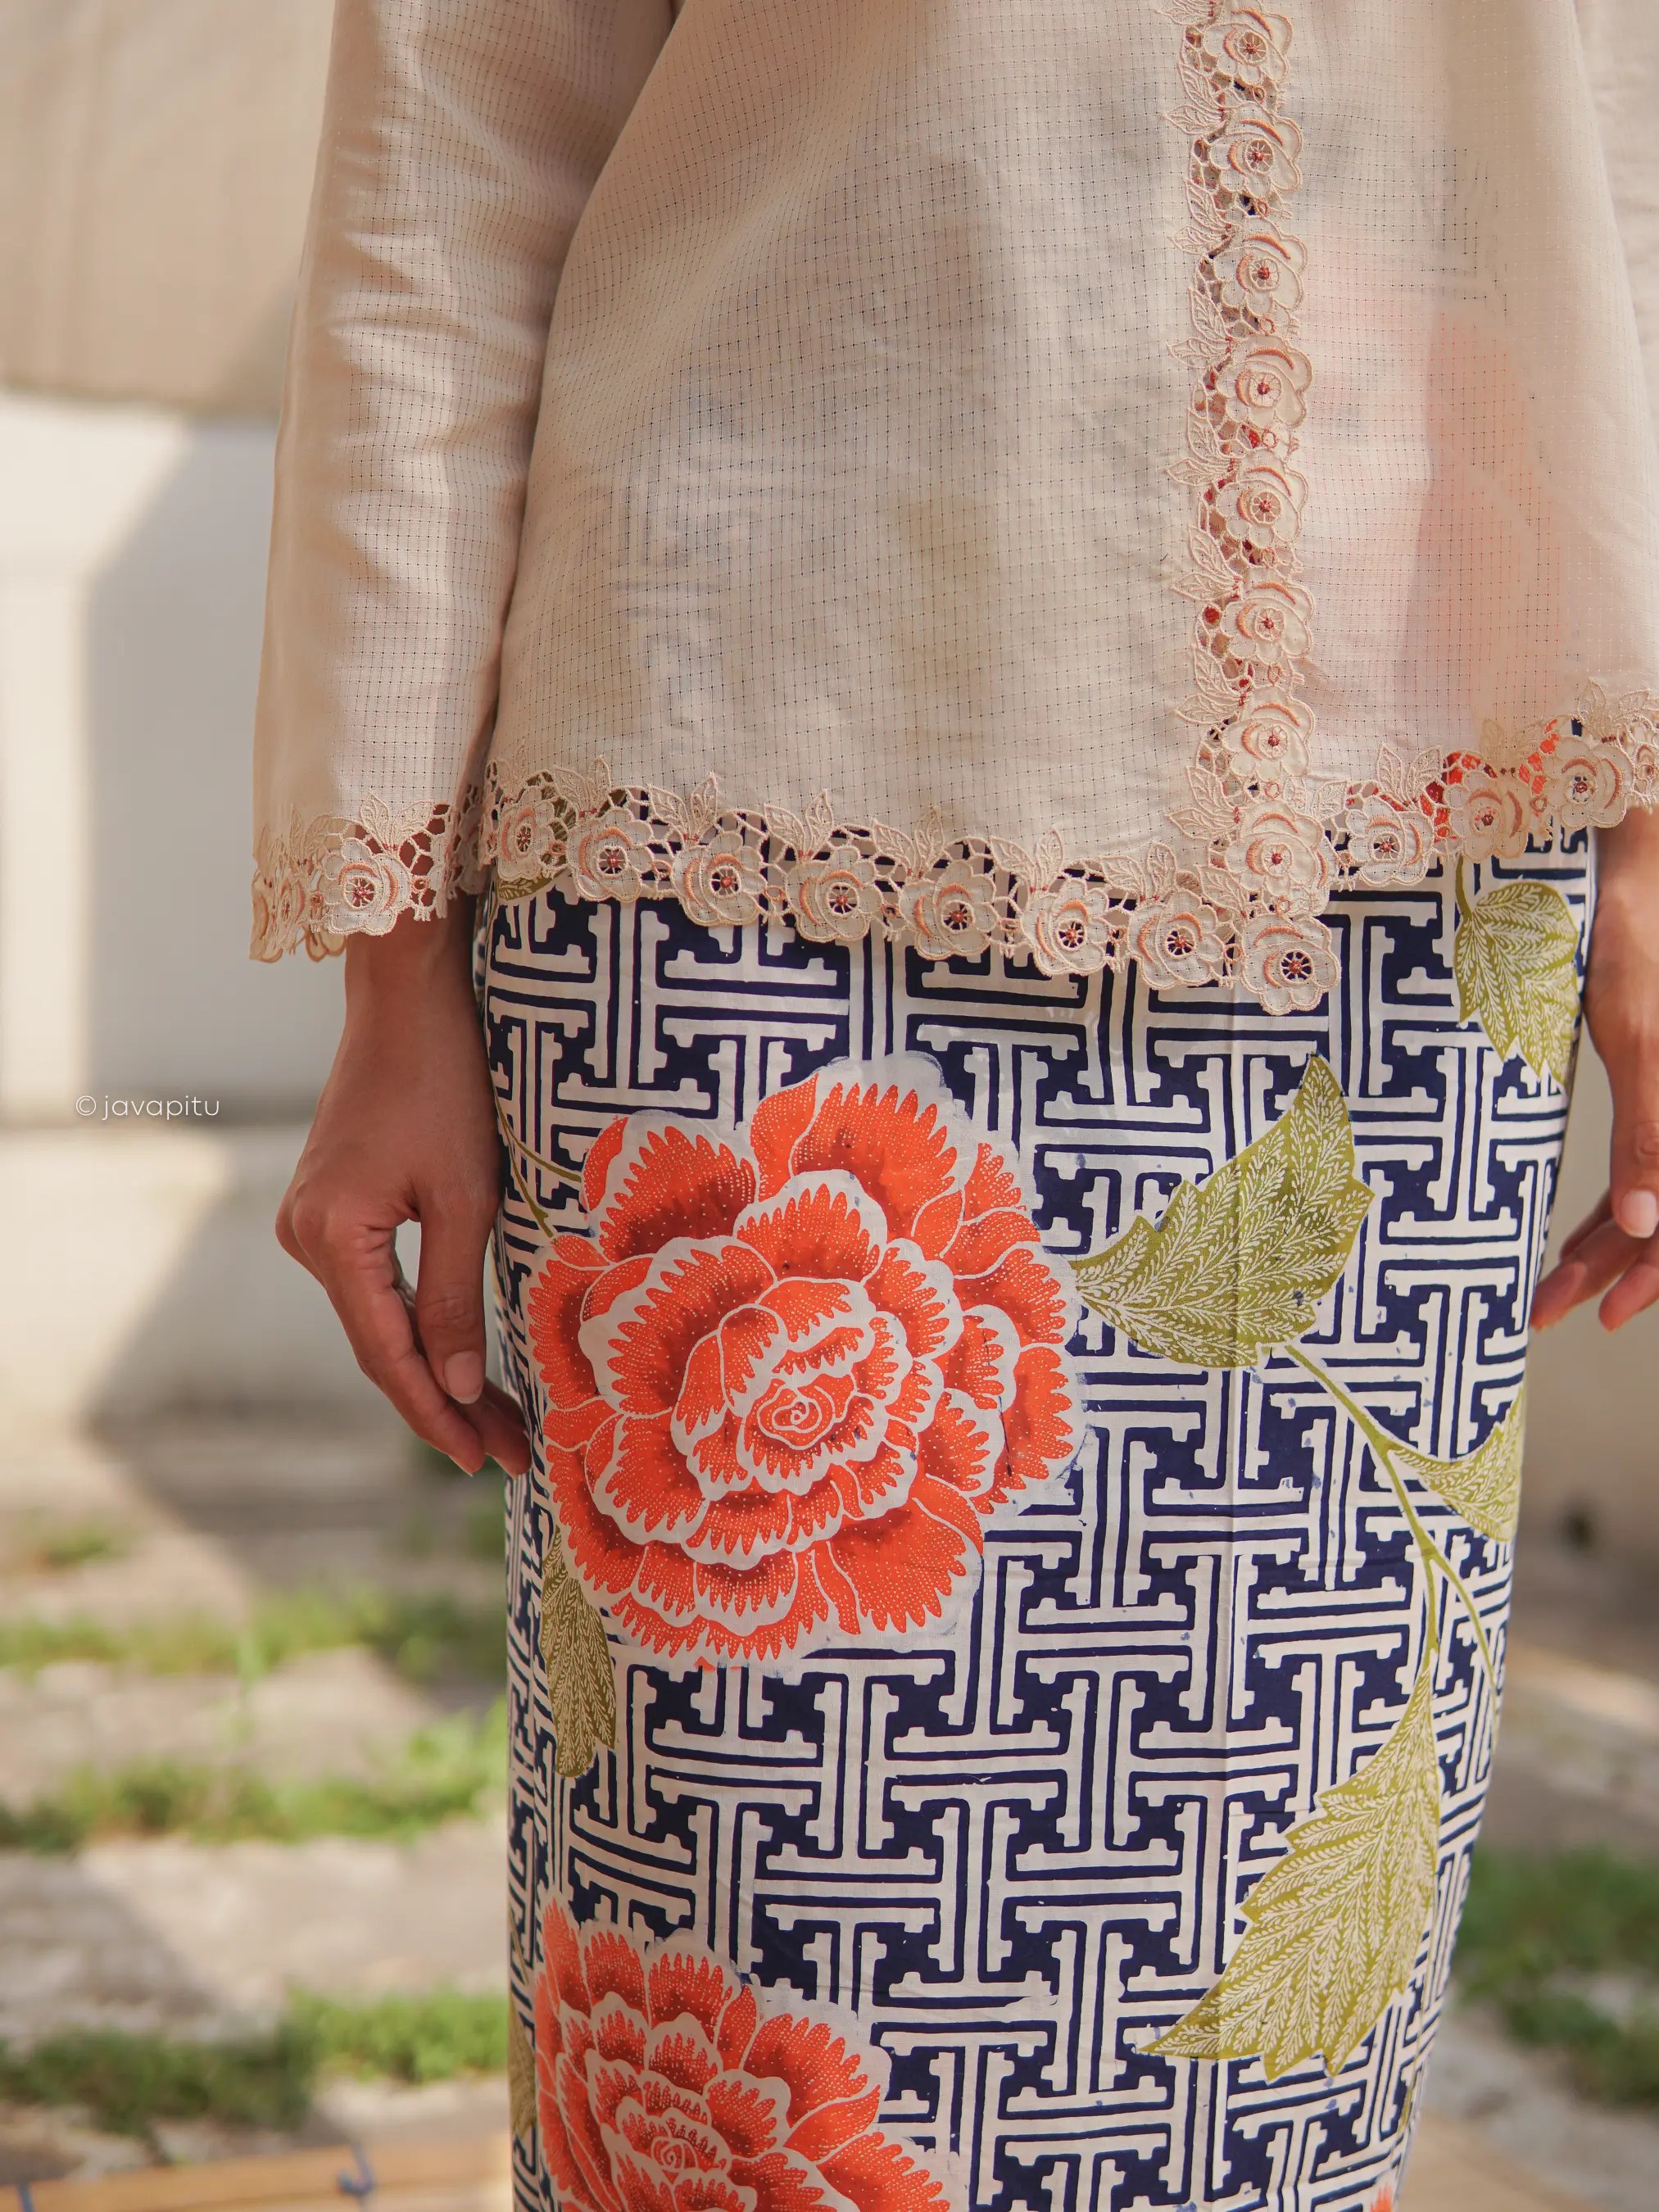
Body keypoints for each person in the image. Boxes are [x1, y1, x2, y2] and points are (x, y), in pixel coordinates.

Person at [253, 4, 1659, 2205]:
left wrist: (1648, 841)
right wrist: (391, 957)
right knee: (749, 2031)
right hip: (735, 805)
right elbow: (456, 135)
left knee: (1264, 2042)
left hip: (1411, 792)